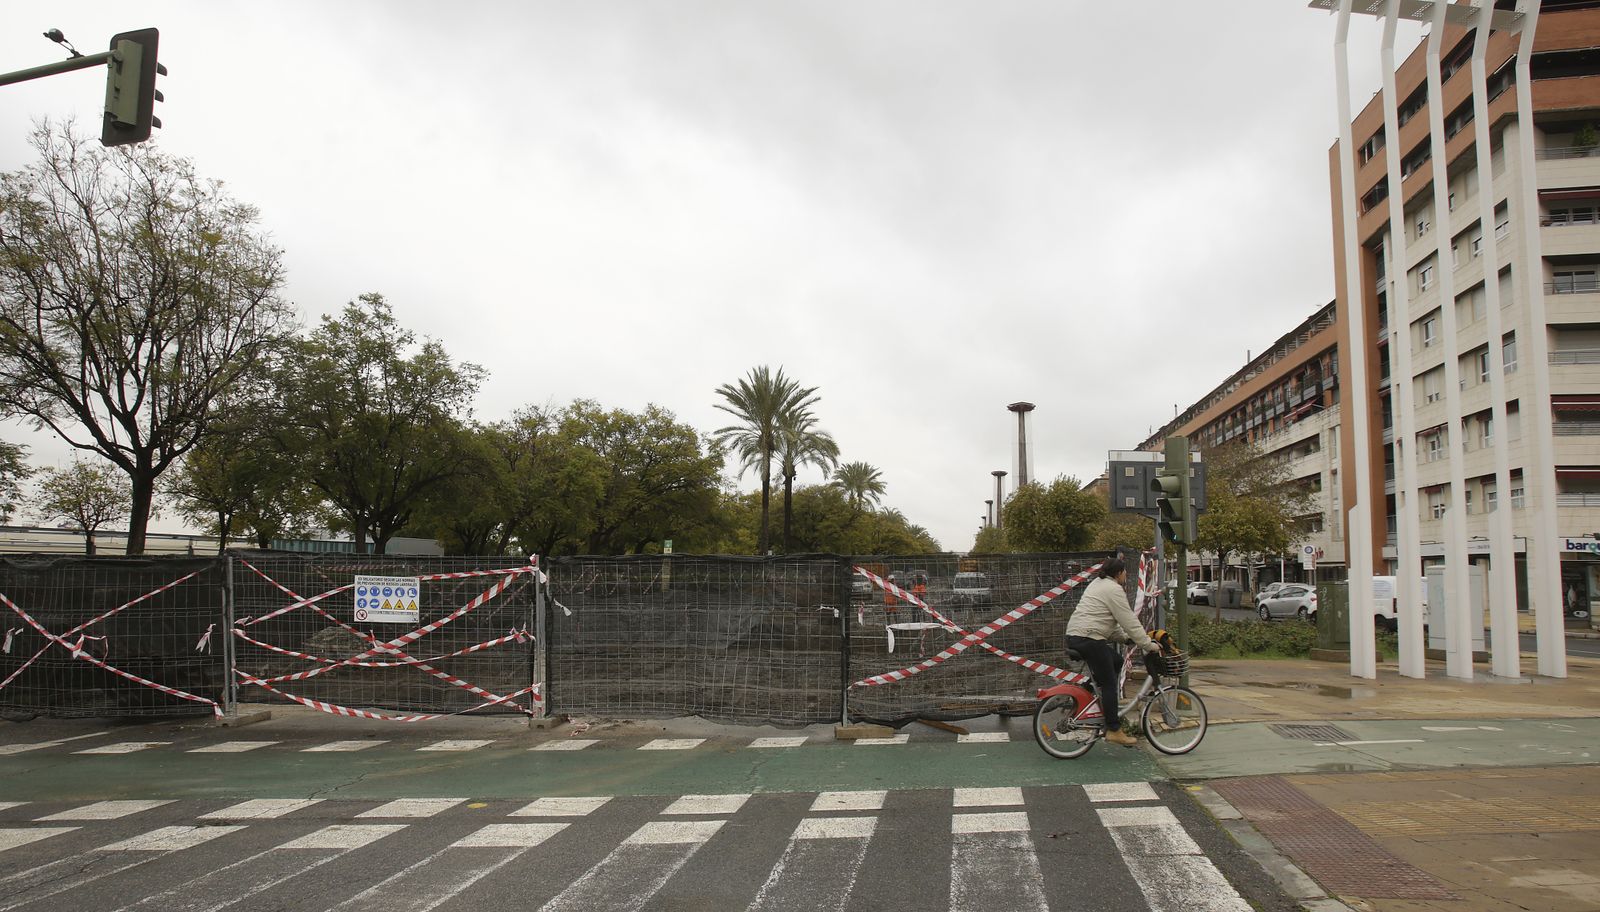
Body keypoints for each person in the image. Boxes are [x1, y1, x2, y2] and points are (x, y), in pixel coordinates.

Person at [1065, 556, 1159, 747]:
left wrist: (1125, 638)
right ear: (1118, 573)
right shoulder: (1113, 589)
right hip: (1088, 638)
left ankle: (1095, 698)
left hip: (1078, 635)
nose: (1126, 575)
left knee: (1116, 661)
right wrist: (1147, 644)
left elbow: (1107, 621)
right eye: (1125, 572)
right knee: (1109, 682)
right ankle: (1114, 730)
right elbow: (1128, 620)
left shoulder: (1098, 584)